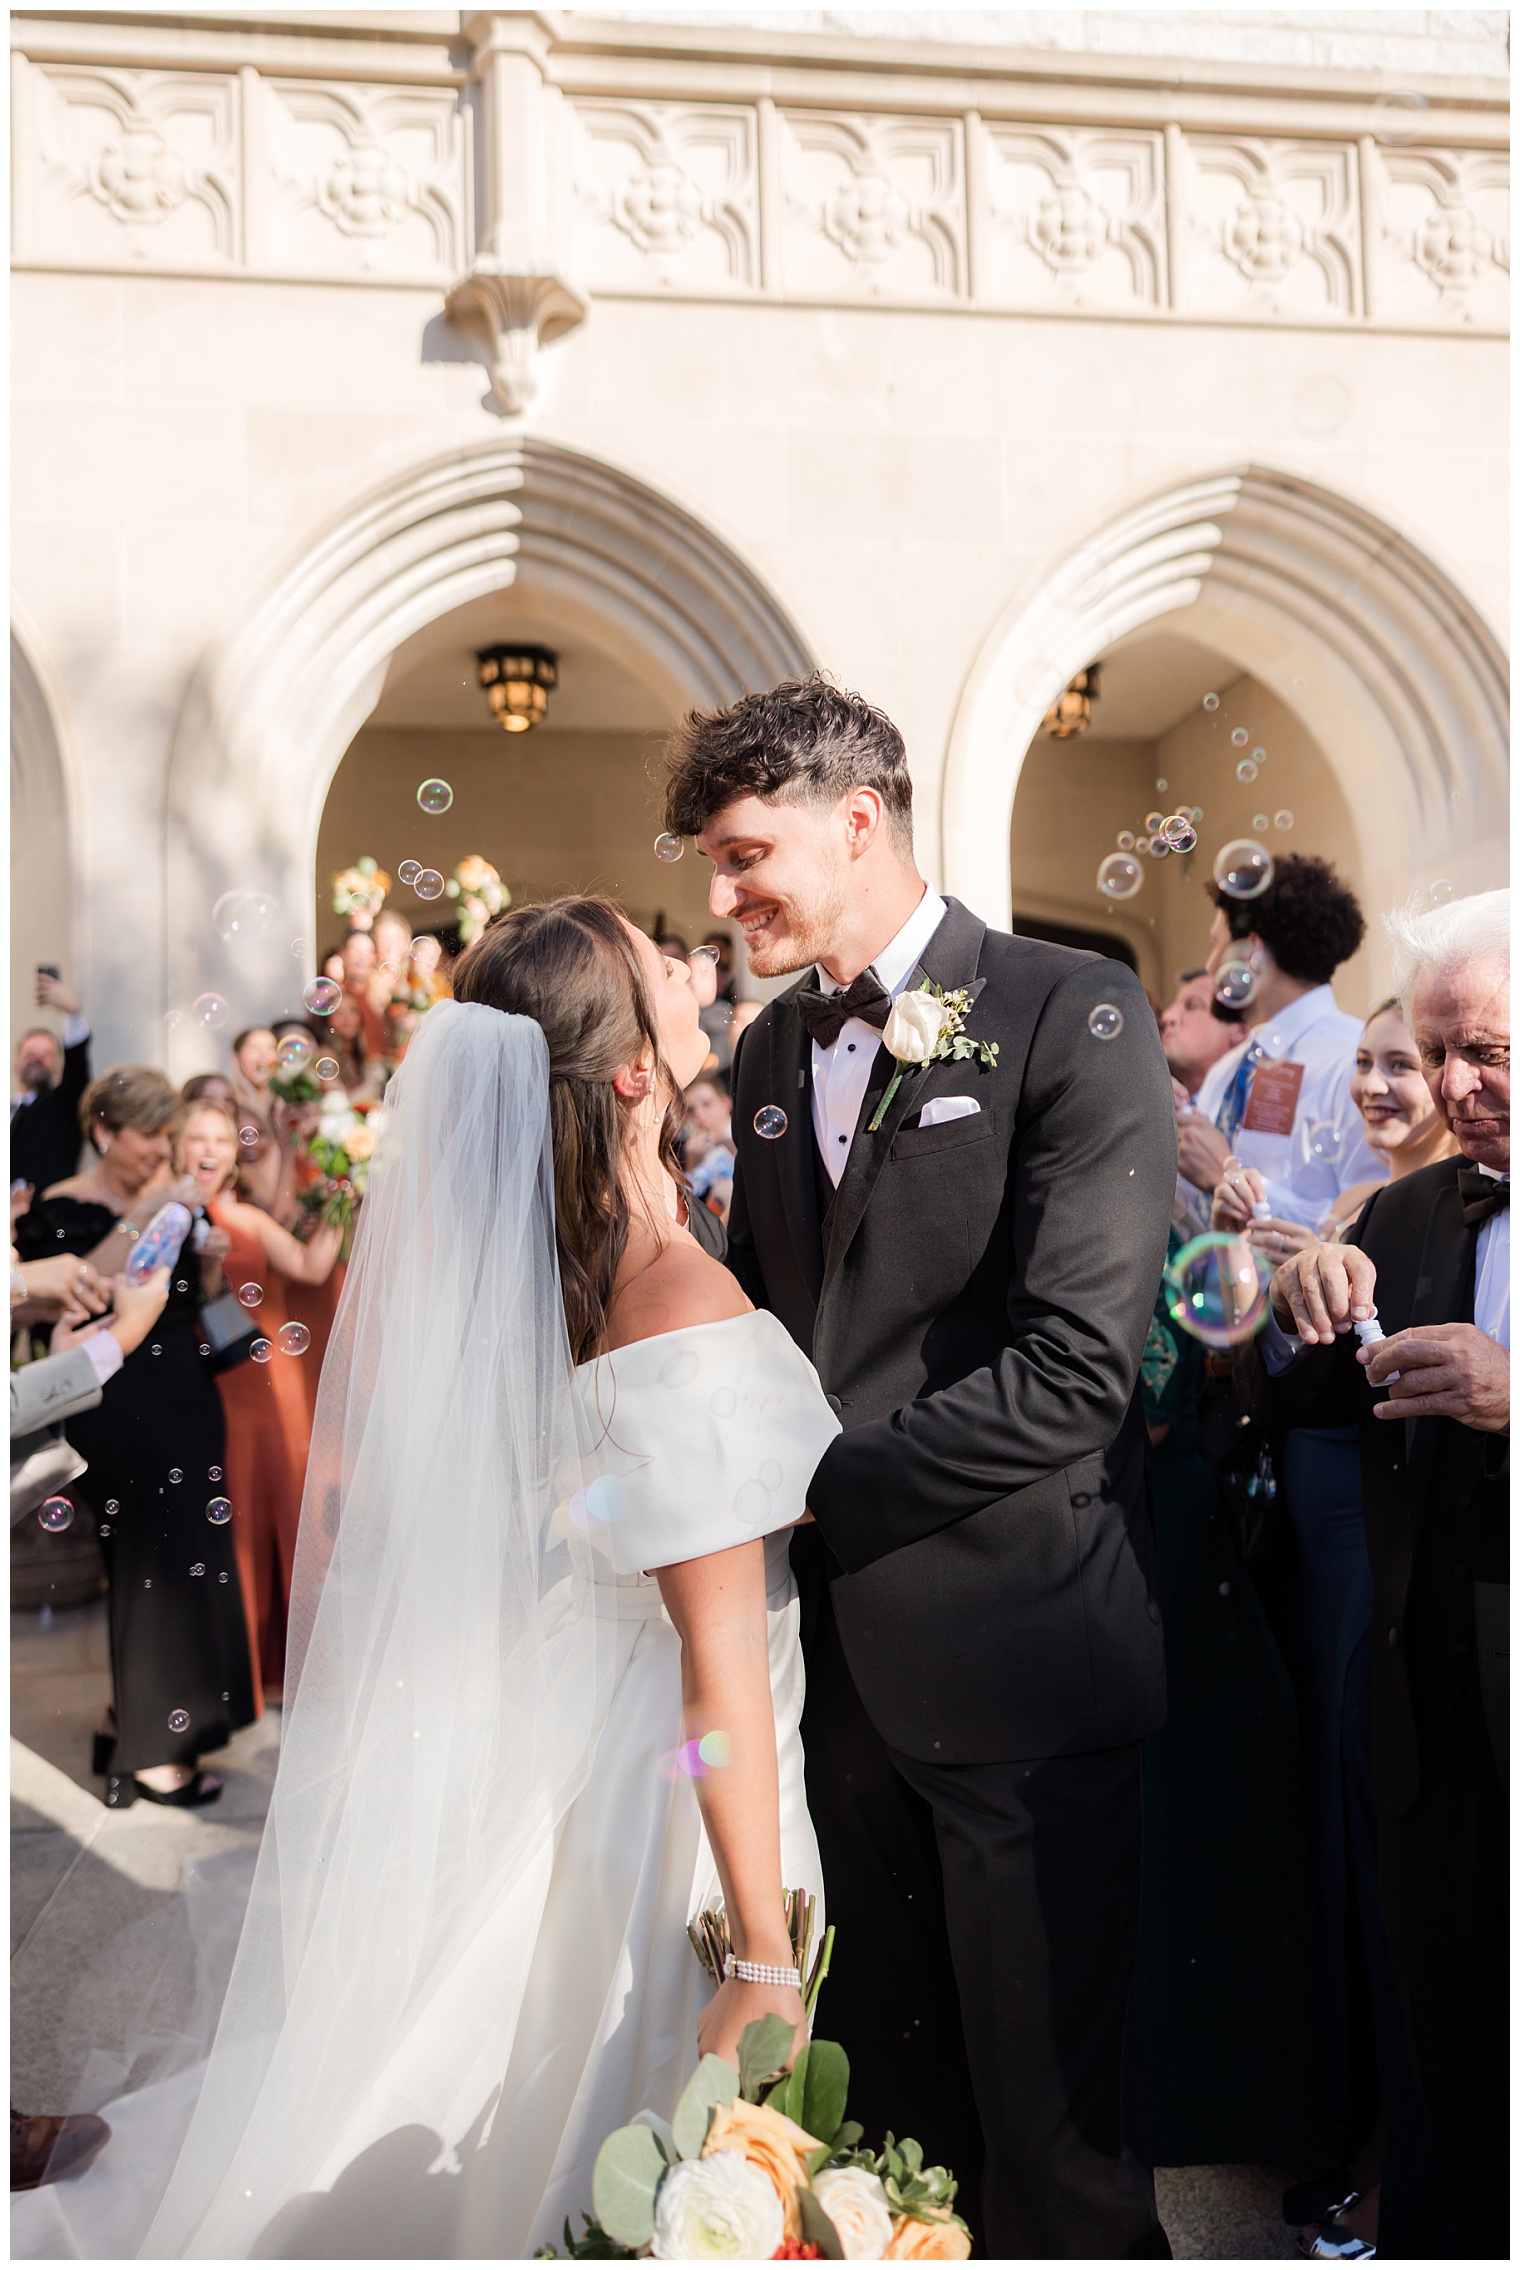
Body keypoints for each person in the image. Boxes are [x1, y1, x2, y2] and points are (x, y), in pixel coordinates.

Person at [62, 898, 842, 2261]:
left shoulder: (572, 1252)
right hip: (685, 1784)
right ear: (635, 1071)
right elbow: (714, 1660)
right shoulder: (670, 1292)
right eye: (656, 961)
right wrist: (763, 1953)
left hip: (598, 1727)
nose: (688, 958)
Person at [664, 674, 1176, 2260]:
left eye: (747, 853)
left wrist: (812, 1487)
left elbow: (1076, 1370)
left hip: (1020, 1664)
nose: (723, 893)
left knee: (1057, 2153)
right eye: (711, 865)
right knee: (890, 2145)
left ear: (859, 818)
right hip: (836, 1699)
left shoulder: (1066, 1008)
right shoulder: (763, 1058)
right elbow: (776, 1327)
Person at [1243, 886, 1509, 2263]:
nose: (1458, 1087)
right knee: (1441, 2035)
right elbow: (1302, 1407)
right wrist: (1293, 1313)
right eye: (1442, 1051)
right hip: (1425, 1713)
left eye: (1491, 1057)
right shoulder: (1408, 1217)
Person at [13, 1068, 256, 1807]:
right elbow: (75, 1289)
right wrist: (145, 1212)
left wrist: (210, 1274)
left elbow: (197, 1314)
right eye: (150, 1134)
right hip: (112, 1401)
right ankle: (149, 1754)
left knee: (194, 1560)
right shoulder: (61, 1207)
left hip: (186, 1396)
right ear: (104, 1134)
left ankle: (157, 1723)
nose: (162, 1148)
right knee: (146, 1563)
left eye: (166, 1134)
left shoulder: (178, 1205)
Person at [178, 1100, 342, 1701]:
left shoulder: (245, 1217)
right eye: (197, 1136)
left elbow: (309, 1262)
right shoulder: (168, 1219)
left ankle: (288, 1664)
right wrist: (206, 1274)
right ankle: (234, 1669)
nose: (210, 1149)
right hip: (211, 1386)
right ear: (177, 1144)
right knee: (232, 1515)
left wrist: (343, 1193)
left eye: (221, 1139)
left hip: (273, 1379)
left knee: (284, 1510)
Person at [1179, 855, 1385, 1230]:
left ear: (1251, 952)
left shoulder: (1356, 1059)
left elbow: (1373, 1216)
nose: (1209, 966)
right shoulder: (1228, 1070)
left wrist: (1230, 1179)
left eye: (1216, 945)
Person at [11, 970, 92, 1198]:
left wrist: (73, 1014)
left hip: (46, 1222)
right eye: (29, 1053)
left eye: (46, 1054)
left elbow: (77, 1072)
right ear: (15, 1063)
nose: (37, 1058)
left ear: (58, 1065)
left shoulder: (65, 1107)